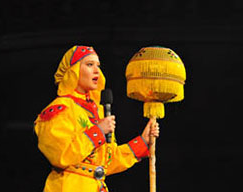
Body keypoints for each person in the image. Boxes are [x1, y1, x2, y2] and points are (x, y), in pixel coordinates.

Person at [34, 45, 159, 192]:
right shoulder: (60, 109)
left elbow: (106, 163)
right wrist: (97, 132)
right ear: (72, 71)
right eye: (89, 65)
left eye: (98, 66)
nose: (96, 71)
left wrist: (143, 142)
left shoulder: (98, 111)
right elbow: (60, 155)